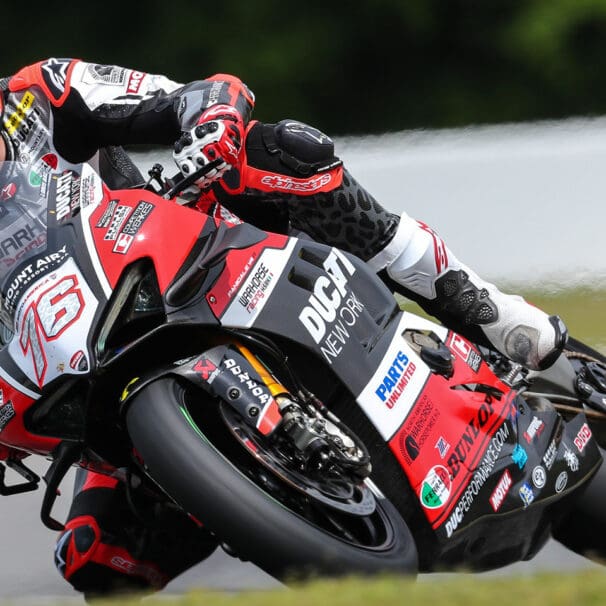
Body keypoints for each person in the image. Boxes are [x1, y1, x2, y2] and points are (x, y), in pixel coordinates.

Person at [0, 58, 567, 596]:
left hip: (176, 248)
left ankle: (476, 303)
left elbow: (202, 93)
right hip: (84, 380)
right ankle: (256, 498)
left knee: (280, 152)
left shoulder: (39, 93)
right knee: (97, 563)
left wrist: (210, 122)